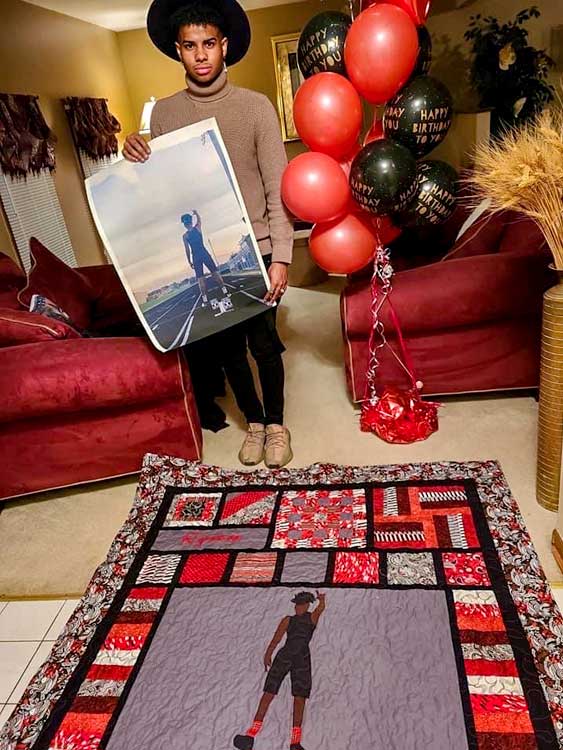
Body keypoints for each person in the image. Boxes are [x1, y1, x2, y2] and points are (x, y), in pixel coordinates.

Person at [123, 0, 294, 469]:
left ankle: (277, 424)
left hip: (255, 251)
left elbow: (280, 191)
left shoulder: (256, 108)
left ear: (226, 46)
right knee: (228, 350)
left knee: (264, 345)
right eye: (190, 46)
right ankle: (254, 423)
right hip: (206, 258)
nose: (201, 55)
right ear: (178, 51)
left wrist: (281, 256)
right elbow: (160, 193)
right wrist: (135, 151)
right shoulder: (164, 115)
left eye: (209, 44)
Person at [233, 591, 326, 750]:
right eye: (296, 605)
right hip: (284, 656)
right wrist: (268, 653)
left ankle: (295, 742)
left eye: (300, 605)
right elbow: (277, 638)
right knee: (269, 692)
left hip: (302, 659)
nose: (297, 608)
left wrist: (322, 600)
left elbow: (320, 609)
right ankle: (251, 734)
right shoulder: (288, 620)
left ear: (306, 605)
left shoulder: (311, 618)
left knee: (300, 697)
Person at [181, 210, 229, 307]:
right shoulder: (197, 228)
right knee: (215, 273)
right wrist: (196, 213)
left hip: (195, 256)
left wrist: (189, 261)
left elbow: (187, 249)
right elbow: (199, 220)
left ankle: (205, 299)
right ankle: (225, 290)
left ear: (185, 224)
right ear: (190, 221)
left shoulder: (185, 236)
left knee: (200, 279)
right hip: (204, 253)